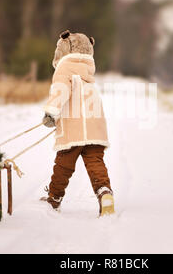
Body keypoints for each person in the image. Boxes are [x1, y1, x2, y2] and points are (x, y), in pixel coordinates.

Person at [41, 30, 114, 216]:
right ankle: (104, 193)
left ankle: (54, 197)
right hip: (94, 129)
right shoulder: (88, 70)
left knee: (63, 165)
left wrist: (51, 112)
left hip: (73, 128)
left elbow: (60, 90)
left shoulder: (65, 68)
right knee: (95, 162)